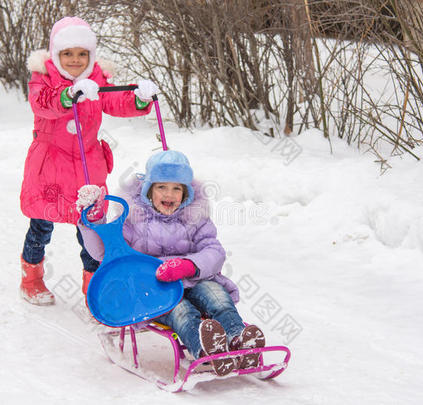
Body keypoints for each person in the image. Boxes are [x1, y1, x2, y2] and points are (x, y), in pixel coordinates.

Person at [77, 150, 266, 376]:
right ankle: (205, 348)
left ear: (186, 192)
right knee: (182, 312)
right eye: (162, 187)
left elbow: (214, 250)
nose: (170, 194)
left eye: (177, 188)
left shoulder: (195, 215)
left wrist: (190, 265)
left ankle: (239, 340)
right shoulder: (133, 219)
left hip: (195, 278)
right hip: (155, 288)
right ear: (149, 190)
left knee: (218, 298)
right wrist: (93, 222)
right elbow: (104, 253)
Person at [19, 16, 160, 305]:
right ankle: (31, 278)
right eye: (67, 53)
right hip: (49, 168)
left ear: (91, 55)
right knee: (41, 226)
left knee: (92, 232)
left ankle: (93, 287)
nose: (75, 60)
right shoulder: (43, 77)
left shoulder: (97, 76)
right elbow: (41, 102)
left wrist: (139, 99)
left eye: (82, 54)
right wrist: (69, 95)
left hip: (87, 167)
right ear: (56, 54)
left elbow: (114, 101)